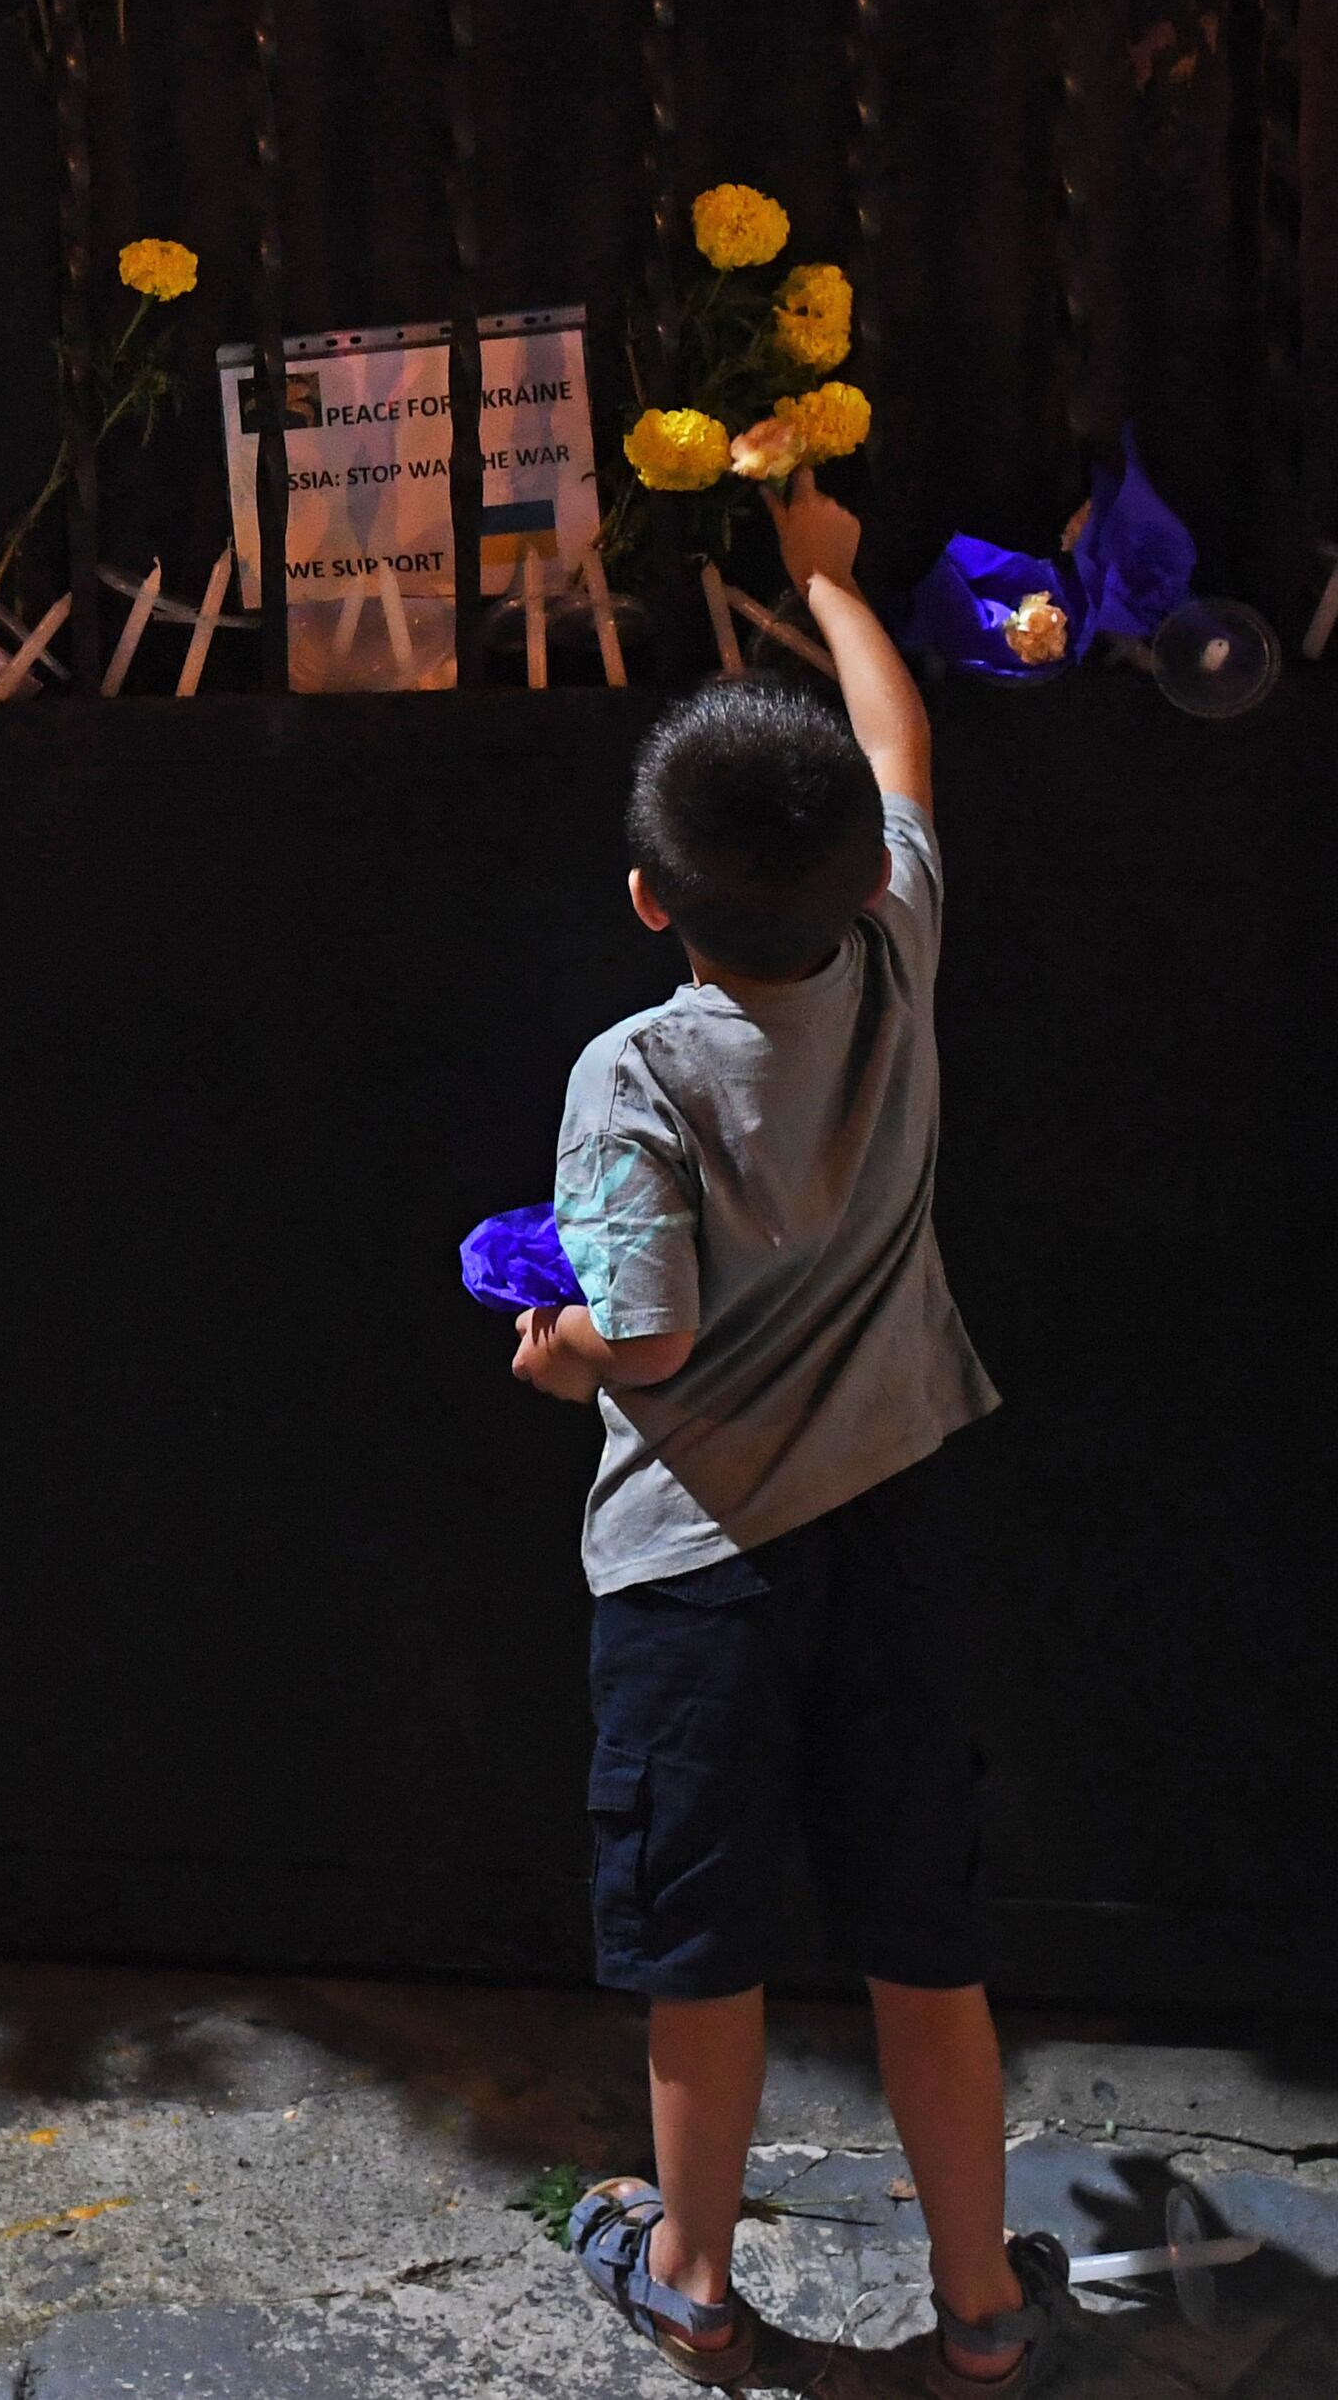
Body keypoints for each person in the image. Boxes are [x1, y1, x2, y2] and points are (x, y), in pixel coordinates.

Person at [515, 475, 1061, 2393]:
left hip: (701, 1571)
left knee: (705, 1940)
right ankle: (982, 2303)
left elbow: (649, 1331)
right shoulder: (896, 946)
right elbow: (900, 743)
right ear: (849, 876)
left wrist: (563, 1351)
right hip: (895, 1515)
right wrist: (828, 574)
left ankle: (690, 2276)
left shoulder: (637, 1071)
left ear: (653, 897)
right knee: (923, 1921)